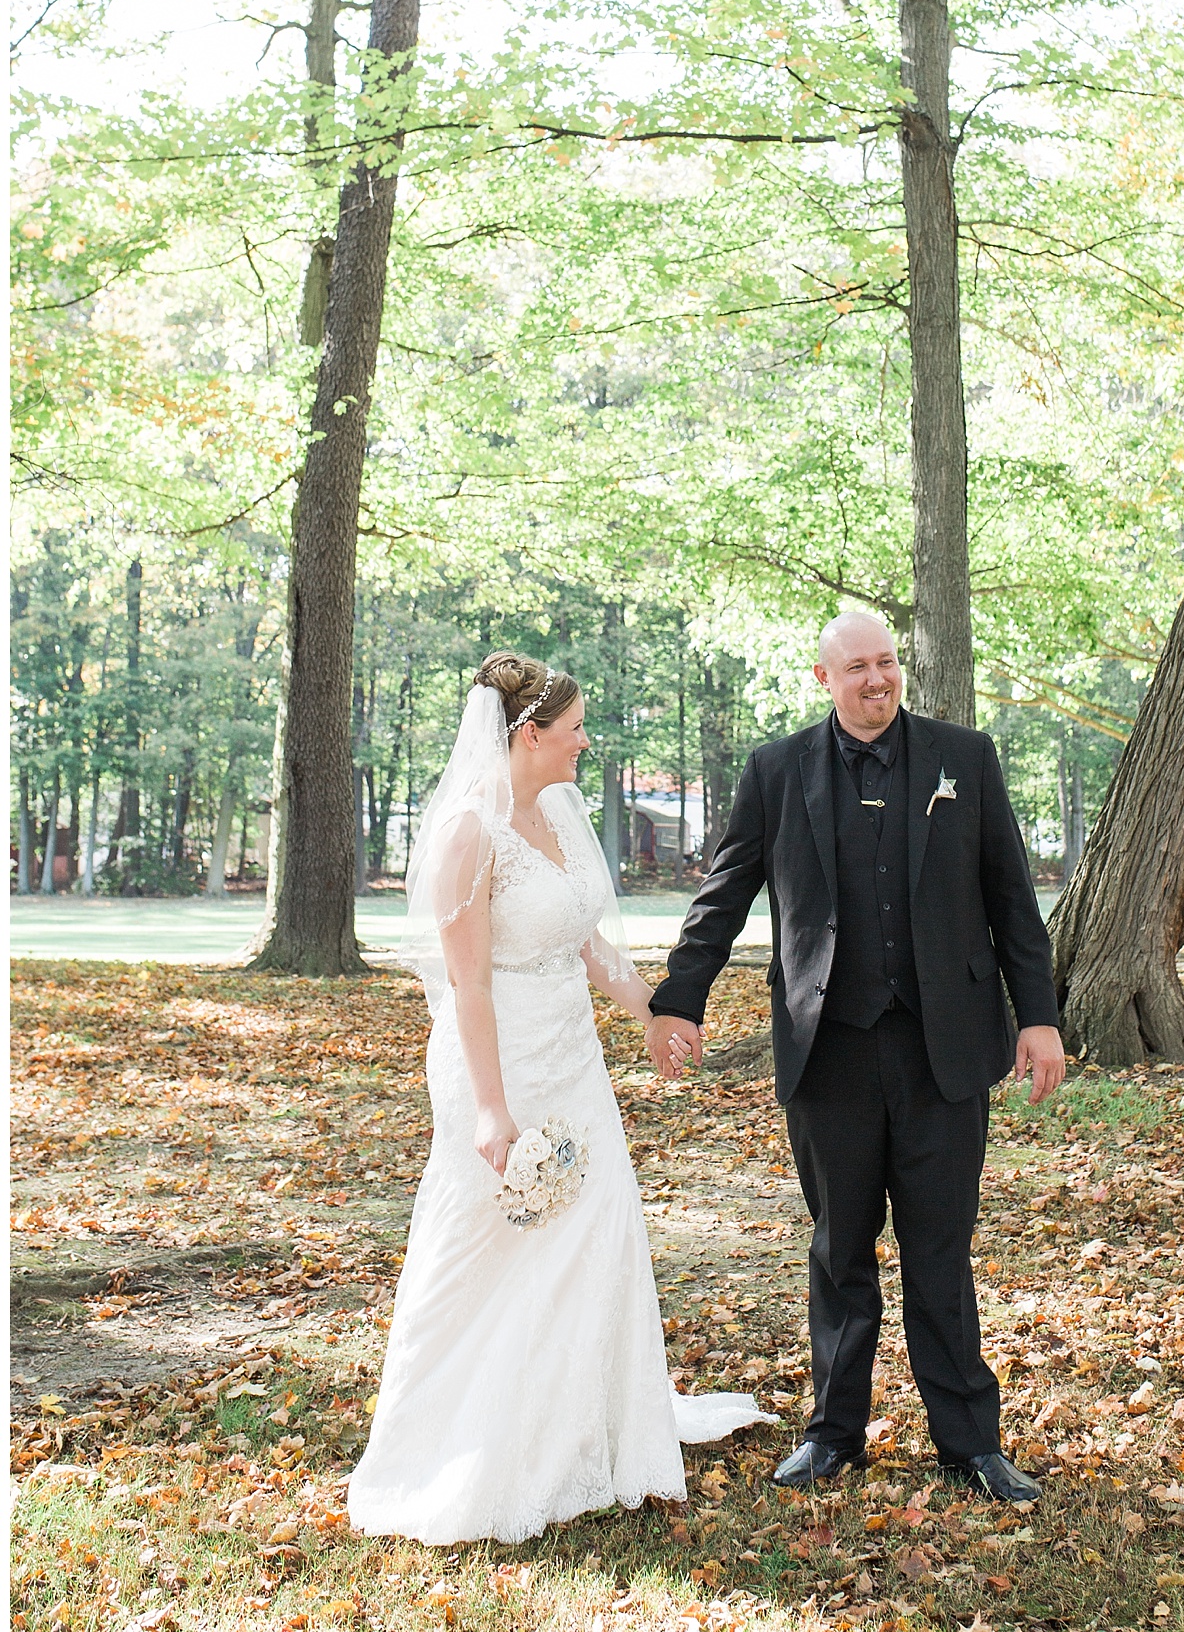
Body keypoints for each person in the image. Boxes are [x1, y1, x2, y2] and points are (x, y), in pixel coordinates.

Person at [348, 651, 766, 1547]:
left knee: (596, 1231)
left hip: (573, 1061)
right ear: (528, 735)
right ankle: (472, 1445)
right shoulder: (470, 835)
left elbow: (588, 943)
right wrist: (492, 1110)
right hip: (497, 1064)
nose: (586, 741)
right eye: (574, 728)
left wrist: (652, 1014)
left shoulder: (565, 812)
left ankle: (589, 1432)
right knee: (491, 1249)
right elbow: (467, 988)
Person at [645, 613, 1065, 1502]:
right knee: (840, 1250)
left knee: (940, 1251)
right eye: (857, 668)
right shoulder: (775, 770)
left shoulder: (966, 758)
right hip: (827, 1052)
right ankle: (834, 1434)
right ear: (823, 676)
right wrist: (680, 997)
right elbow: (725, 893)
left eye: (886, 664)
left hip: (941, 1050)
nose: (876, 680)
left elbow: (1013, 900)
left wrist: (1040, 1017)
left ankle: (969, 1445)